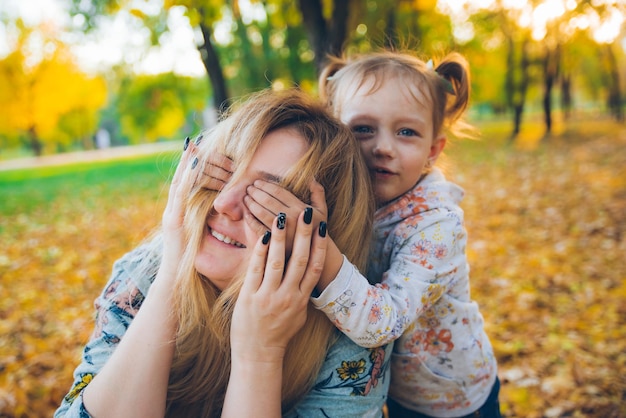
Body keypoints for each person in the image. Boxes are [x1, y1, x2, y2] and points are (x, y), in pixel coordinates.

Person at [55, 89, 392, 418]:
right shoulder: (141, 276)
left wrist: (259, 356)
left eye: (265, 196)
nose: (222, 204)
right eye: (220, 176)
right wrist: (171, 278)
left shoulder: (351, 338)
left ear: (321, 234)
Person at [243, 51, 500, 417]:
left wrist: (318, 244)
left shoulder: (437, 227)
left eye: (406, 132)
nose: (383, 147)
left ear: (433, 151)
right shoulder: (341, 193)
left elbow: (385, 322)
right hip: (391, 388)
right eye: (363, 128)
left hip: (449, 399)